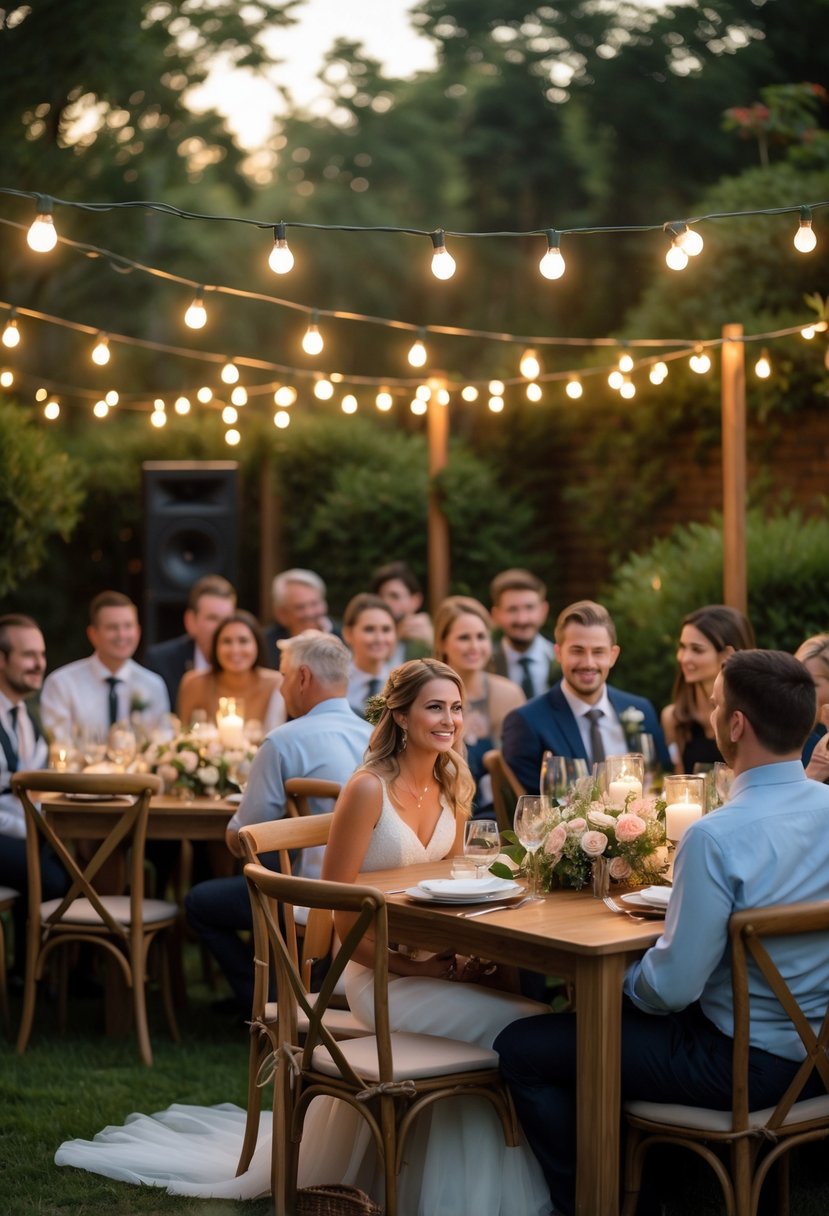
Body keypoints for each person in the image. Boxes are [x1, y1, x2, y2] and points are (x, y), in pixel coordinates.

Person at [55, 661, 550, 1214]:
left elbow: (454, 890)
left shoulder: (454, 786)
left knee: (524, 1012)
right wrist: (417, 970)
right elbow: (339, 920)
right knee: (519, 1028)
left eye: (456, 708)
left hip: (431, 966)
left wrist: (460, 957)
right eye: (435, 707)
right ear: (401, 715)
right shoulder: (366, 790)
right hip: (371, 973)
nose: (450, 720)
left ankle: (451, 1185)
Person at [496, 649, 829, 1216]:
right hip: (820, 1058)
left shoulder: (715, 836)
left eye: (718, 704)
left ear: (737, 725)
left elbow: (671, 990)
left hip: (744, 1065)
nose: (713, 712)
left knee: (522, 1047)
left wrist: (623, 981)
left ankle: (603, 1205)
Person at [185, 631, 371, 1013]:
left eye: (284, 676)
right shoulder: (375, 738)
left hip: (311, 896)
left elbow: (244, 837)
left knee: (200, 902)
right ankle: (301, 991)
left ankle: (267, 1001)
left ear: (303, 678)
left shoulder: (284, 741)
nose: (281, 687)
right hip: (371, 890)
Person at [502, 599, 670, 793]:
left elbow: (662, 782)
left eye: (598, 652)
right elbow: (531, 808)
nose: (588, 663)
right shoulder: (527, 722)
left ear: (613, 655)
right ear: (558, 653)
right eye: (577, 651)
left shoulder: (642, 709)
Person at [0, 614, 67, 971]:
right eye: (28, 655)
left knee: (80, 868)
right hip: (4, 832)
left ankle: (55, 973)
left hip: (20, 829)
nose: (39, 664)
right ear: (2, 658)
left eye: (41, 655)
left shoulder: (25, 715)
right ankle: (32, 976)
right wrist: (34, 832)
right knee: (54, 878)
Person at [433, 595, 525, 818]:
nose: (475, 646)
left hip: (502, 816)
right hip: (442, 808)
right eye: (464, 638)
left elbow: (521, 767)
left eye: (481, 637)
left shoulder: (509, 693)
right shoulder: (429, 695)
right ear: (443, 643)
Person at [40, 591, 169, 740]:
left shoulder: (154, 685)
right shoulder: (62, 684)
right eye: (112, 627)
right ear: (93, 634)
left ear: (138, 631)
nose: (122, 635)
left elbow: (161, 744)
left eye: (128, 626)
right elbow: (58, 744)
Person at [660, 604, 755, 772]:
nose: (684, 658)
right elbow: (678, 783)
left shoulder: (752, 717)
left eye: (697, 649)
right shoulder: (673, 718)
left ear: (728, 654)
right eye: (682, 647)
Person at [177, 610, 285, 734]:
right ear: (215, 647)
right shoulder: (194, 683)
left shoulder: (276, 683)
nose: (235, 650)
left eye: (243, 641)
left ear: (257, 644)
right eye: (227, 641)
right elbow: (182, 737)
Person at [143, 574, 236, 705]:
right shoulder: (161, 662)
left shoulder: (246, 662)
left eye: (227, 620)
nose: (221, 627)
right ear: (190, 622)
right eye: (213, 618)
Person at [489, 569, 555, 699]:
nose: (522, 619)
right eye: (512, 609)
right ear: (496, 615)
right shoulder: (485, 665)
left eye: (529, 608)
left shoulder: (561, 660)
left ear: (543, 610)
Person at [262, 568, 335, 669]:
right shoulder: (264, 646)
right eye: (300, 607)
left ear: (324, 604)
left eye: (314, 604)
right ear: (281, 614)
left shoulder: (347, 637)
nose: (309, 613)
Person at [342, 592, 397, 719]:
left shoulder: (405, 684)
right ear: (348, 634)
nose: (379, 638)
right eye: (369, 629)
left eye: (386, 629)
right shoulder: (333, 684)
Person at [370, 559, 433, 664]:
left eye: (394, 596)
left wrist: (435, 644)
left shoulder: (429, 638)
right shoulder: (367, 636)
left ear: (416, 601)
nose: (385, 602)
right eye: (380, 596)